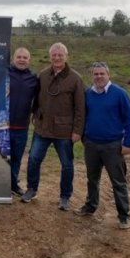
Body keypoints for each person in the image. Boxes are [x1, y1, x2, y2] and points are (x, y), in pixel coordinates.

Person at [21, 42, 85, 211]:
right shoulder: (43, 75)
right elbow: (37, 97)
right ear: (50, 56)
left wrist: (78, 131)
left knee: (67, 164)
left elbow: (80, 108)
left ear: (66, 56)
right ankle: (31, 189)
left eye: (60, 55)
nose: (57, 58)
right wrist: (35, 114)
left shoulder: (75, 78)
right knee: (34, 159)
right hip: (42, 128)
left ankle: (65, 197)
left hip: (64, 131)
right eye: (54, 55)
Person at [75, 62, 130, 230]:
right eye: (96, 74)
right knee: (92, 179)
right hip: (92, 145)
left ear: (108, 75)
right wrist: (84, 137)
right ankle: (90, 206)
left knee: (118, 182)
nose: (99, 77)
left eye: (102, 74)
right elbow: (82, 116)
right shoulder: (88, 94)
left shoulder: (120, 94)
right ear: (92, 76)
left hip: (113, 146)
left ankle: (124, 215)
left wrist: (128, 143)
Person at [8, 47, 39, 196]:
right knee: (0, 157)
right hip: (2, 127)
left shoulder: (34, 78)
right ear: (13, 59)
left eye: (25, 58)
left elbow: (39, 100)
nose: (21, 60)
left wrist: (36, 114)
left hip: (21, 127)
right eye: (19, 57)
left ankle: (13, 185)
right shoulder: (4, 74)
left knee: (16, 158)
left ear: (29, 60)